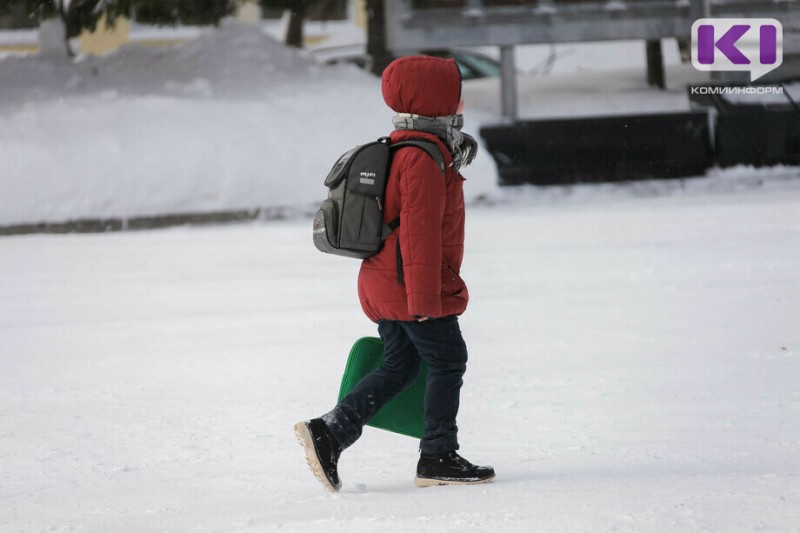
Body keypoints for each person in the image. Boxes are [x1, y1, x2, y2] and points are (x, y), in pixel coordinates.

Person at [294, 55, 494, 491]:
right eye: (453, 91)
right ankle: (438, 454)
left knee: (402, 365)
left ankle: (330, 431)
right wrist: (425, 300)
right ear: (434, 98)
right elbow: (418, 234)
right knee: (447, 358)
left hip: (386, 281)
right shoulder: (422, 158)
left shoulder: (405, 147)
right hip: (410, 285)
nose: (459, 99)